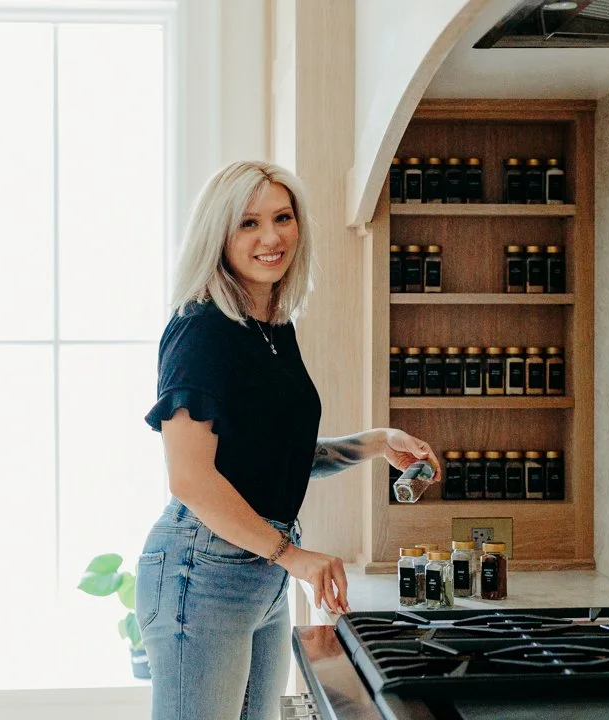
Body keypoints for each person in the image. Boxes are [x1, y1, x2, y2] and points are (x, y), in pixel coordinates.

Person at [137, 160, 440, 720]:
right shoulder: (200, 329)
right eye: (248, 223)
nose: (271, 237)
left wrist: (373, 443)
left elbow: (275, 453)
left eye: (282, 217)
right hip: (201, 573)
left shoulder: (273, 329)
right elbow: (191, 478)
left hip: (261, 565)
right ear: (218, 234)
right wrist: (293, 556)